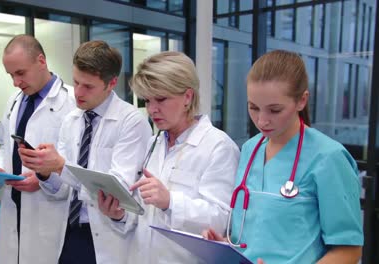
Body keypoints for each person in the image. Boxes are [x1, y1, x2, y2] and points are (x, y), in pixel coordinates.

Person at [203, 50, 364, 263]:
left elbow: (349, 250)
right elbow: (260, 235)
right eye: (253, 108)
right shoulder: (250, 149)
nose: (262, 121)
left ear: (301, 101)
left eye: (275, 110)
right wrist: (227, 244)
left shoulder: (329, 158)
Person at [99, 51, 240, 263]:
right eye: (147, 101)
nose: (152, 109)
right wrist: (119, 214)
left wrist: (171, 202)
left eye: (161, 99)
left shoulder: (218, 147)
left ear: (188, 97)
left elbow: (223, 221)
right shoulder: (155, 142)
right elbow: (145, 214)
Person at [18, 40, 151, 264]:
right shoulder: (72, 120)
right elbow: (60, 192)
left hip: (108, 236)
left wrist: (60, 165)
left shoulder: (132, 122)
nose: (78, 92)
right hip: (70, 234)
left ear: (111, 84)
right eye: (76, 82)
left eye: (88, 86)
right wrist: (45, 172)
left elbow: (116, 190)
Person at [0, 34, 76, 264]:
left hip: (50, 207)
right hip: (13, 204)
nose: (15, 82)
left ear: (41, 61)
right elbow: (4, 146)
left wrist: (41, 179)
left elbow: (77, 163)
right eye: (11, 75)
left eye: (20, 73)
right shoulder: (14, 101)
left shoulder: (71, 103)